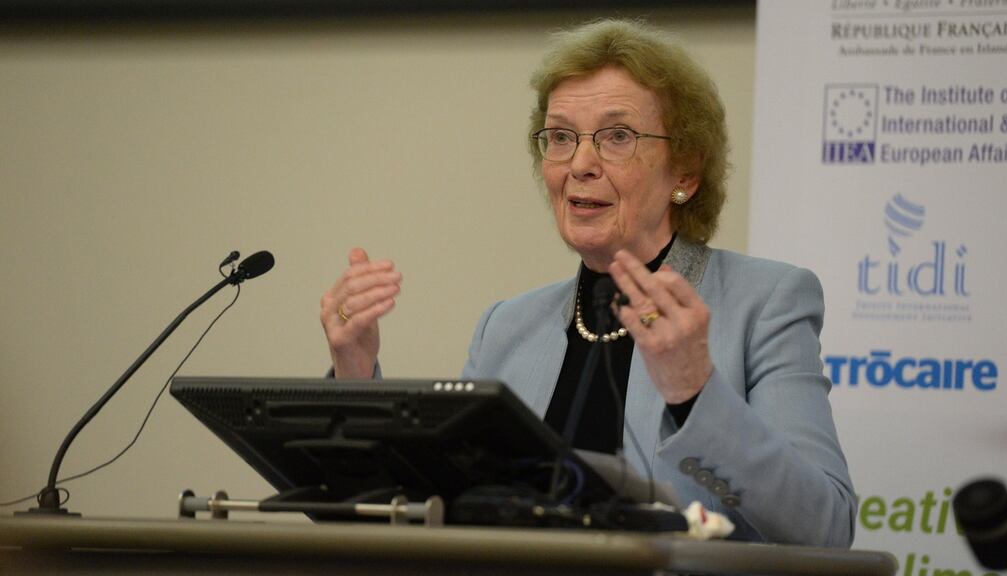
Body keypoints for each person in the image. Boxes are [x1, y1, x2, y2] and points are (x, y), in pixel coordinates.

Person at [320, 19, 855, 547]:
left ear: (685, 172)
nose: (580, 163)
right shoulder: (506, 327)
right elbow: (427, 513)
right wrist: (355, 371)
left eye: (617, 136)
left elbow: (824, 527)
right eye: (560, 137)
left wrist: (695, 394)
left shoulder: (765, 303)